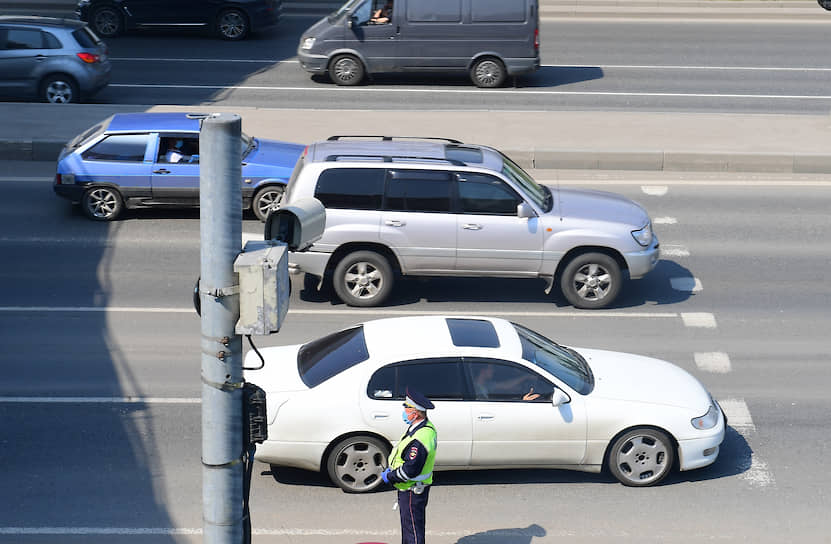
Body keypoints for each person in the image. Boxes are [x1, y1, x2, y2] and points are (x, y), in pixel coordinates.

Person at [381, 387, 437, 544]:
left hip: (412, 489)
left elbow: (410, 469)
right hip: (411, 488)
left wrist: (390, 476)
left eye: (407, 407)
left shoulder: (420, 437)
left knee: (413, 533)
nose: (404, 410)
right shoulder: (422, 428)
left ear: (416, 412)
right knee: (409, 529)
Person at [472, 364, 540, 401]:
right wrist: (522, 401)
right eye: (490, 368)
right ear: (483, 371)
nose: (493, 371)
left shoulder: (486, 384)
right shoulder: (477, 390)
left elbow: (505, 385)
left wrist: (525, 377)